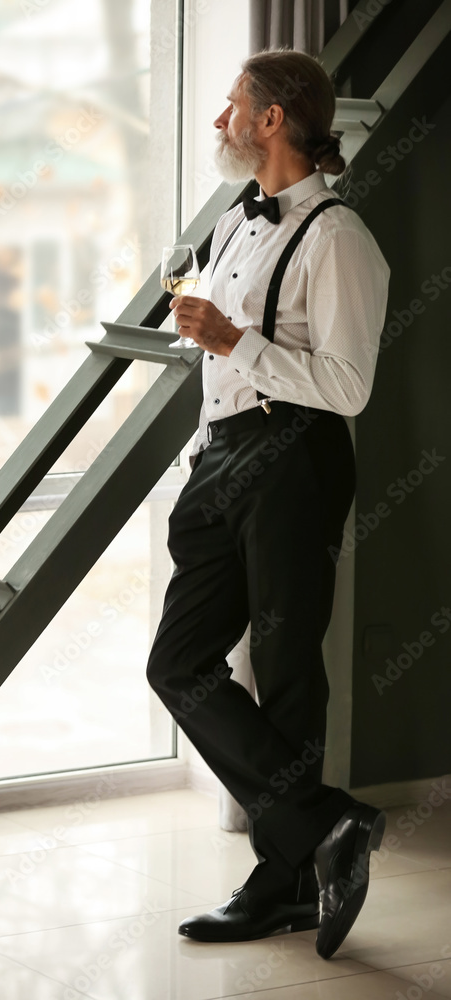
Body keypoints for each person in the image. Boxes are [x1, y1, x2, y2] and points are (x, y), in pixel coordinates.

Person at [145, 47, 391, 960]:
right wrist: (215, 352)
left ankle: (281, 882)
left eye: (231, 105)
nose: (221, 121)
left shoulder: (339, 239)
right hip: (224, 461)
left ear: (272, 119)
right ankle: (326, 825)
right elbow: (231, 351)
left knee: (286, 671)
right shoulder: (238, 226)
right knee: (179, 663)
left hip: (295, 462)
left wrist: (235, 342)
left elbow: (350, 386)